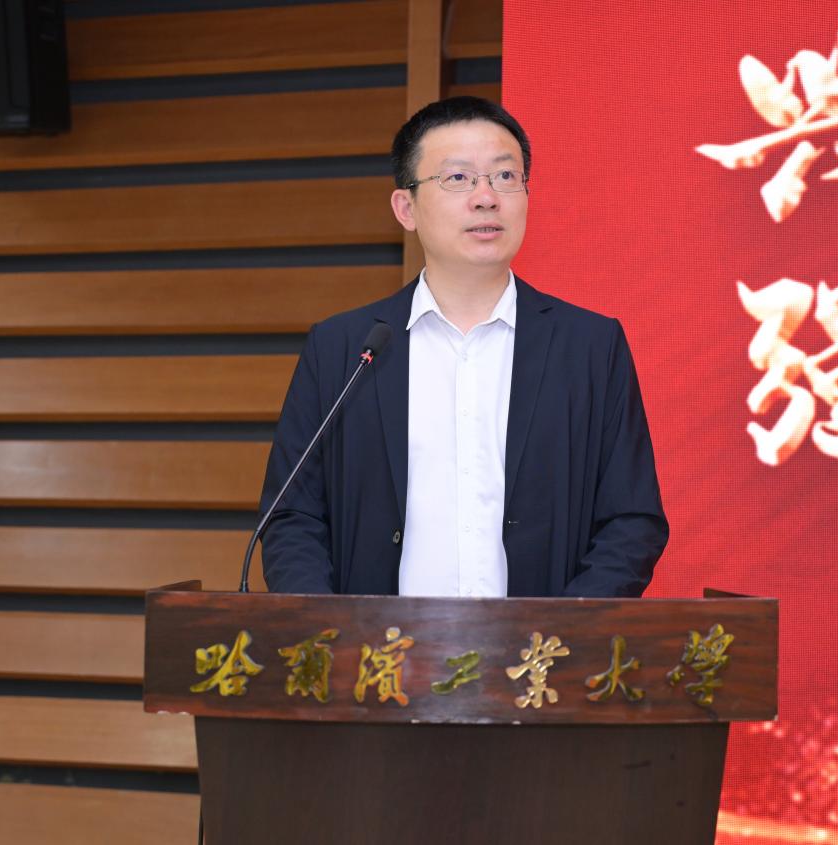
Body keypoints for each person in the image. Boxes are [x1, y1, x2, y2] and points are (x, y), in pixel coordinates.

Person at [259, 96, 667, 597]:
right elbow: (291, 516)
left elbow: (632, 521)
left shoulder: (589, 347)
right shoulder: (344, 348)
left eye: (505, 176)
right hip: (374, 645)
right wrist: (330, 630)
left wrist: (567, 631)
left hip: (544, 645)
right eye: (458, 178)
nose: (486, 197)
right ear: (406, 208)